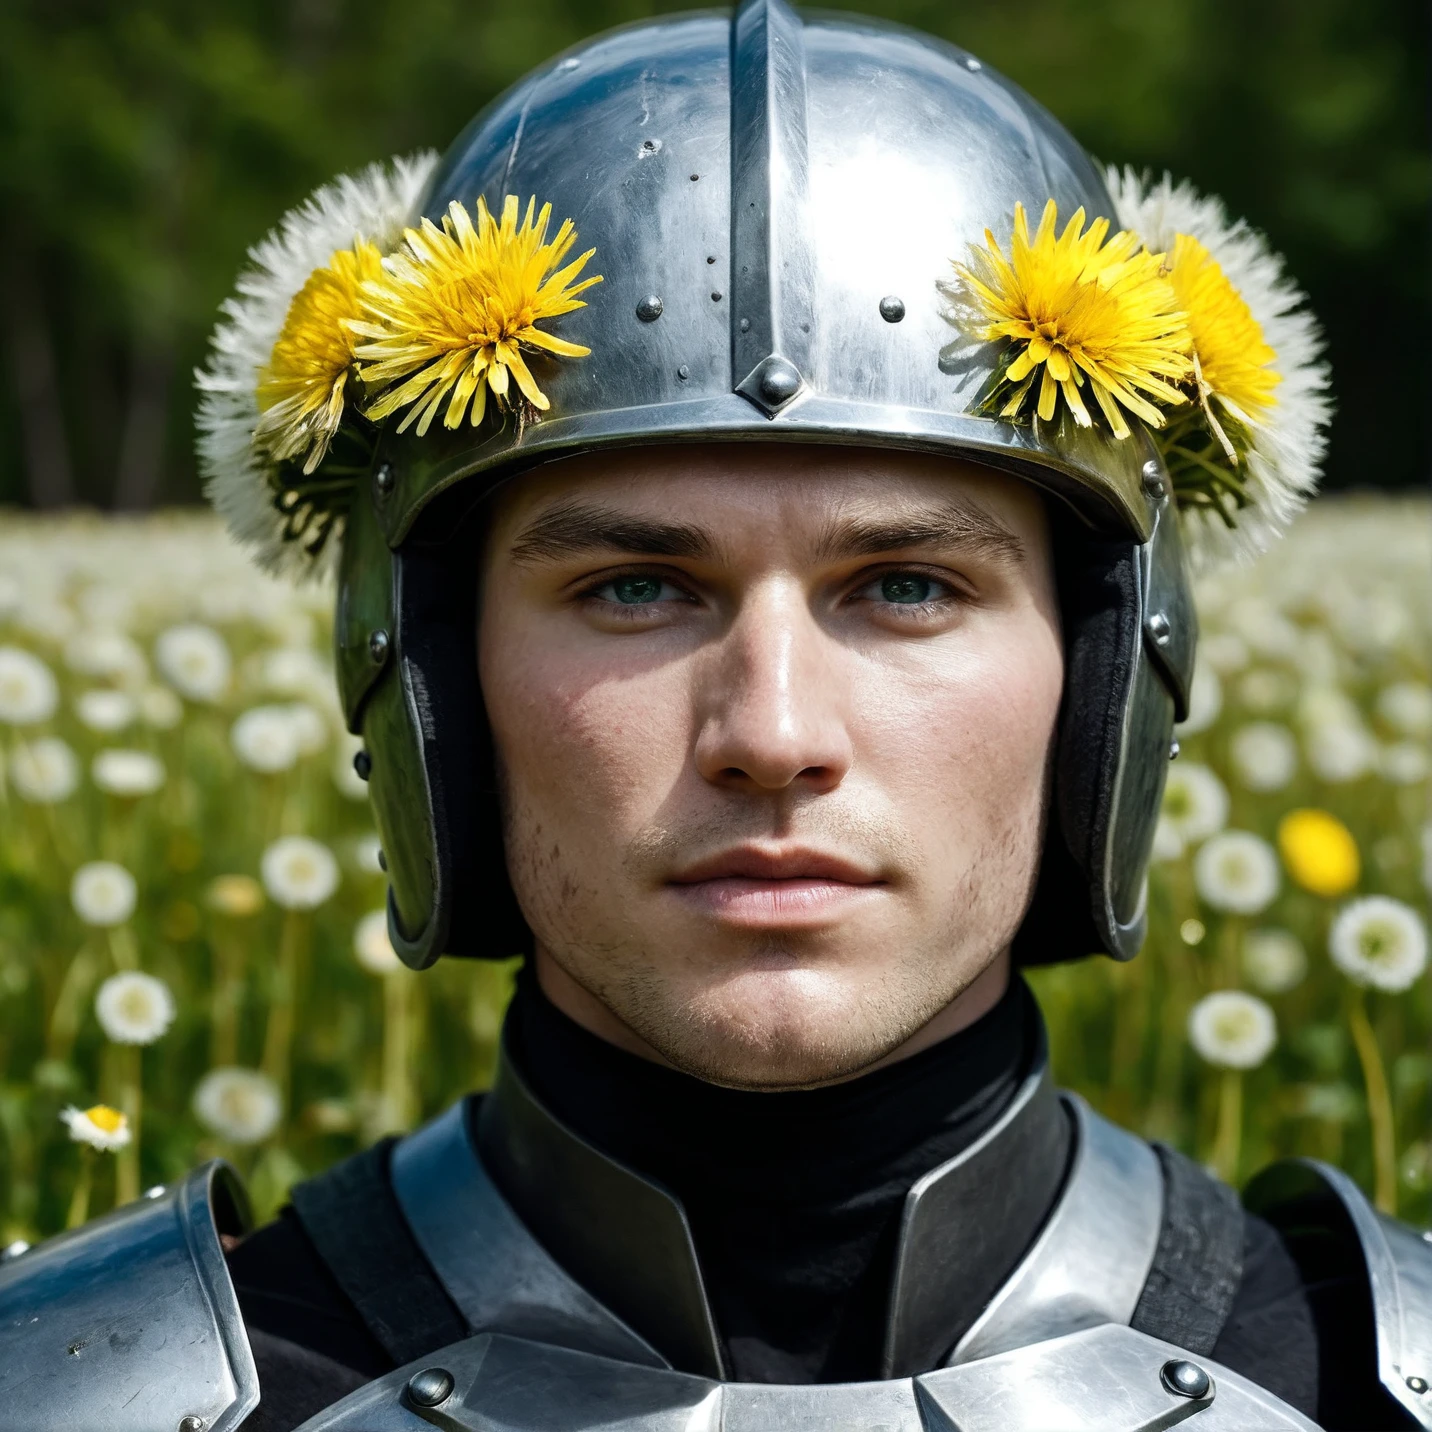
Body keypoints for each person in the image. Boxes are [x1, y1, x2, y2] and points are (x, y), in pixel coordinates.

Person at [2, 2, 1427, 1428]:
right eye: (634, 590)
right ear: (425, 665)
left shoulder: (1375, 1385)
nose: (772, 731)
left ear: (1105, 670)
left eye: (909, 586)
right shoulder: (103, 1392)